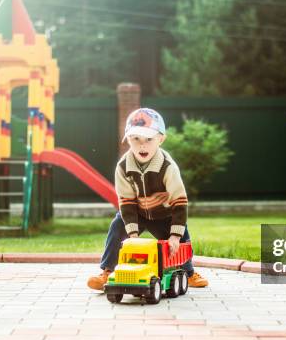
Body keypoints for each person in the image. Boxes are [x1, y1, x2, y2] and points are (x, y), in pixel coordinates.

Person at [87, 108, 209, 290]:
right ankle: (107, 270)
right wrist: (133, 235)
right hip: (137, 213)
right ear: (127, 140)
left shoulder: (168, 167)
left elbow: (179, 202)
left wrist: (174, 236)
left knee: (182, 239)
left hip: (165, 214)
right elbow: (126, 202)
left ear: (161, 139)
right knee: (116, 227)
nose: (142, 145)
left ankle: (189, 272)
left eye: (149, 139)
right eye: (135, 139)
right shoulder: (123, 167)